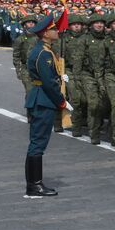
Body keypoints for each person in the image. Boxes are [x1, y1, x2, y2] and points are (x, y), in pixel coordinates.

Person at [24, 12, 67, 198]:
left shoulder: (45, 50)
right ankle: (34, 185)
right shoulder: (43, 53)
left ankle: (34, 184)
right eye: (53, 29)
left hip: (40, 98)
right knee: (38, 144)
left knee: (37, 143)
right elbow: (48, 82)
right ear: (44, 34)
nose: (57, 31)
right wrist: (61, 100)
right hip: (43, 99)